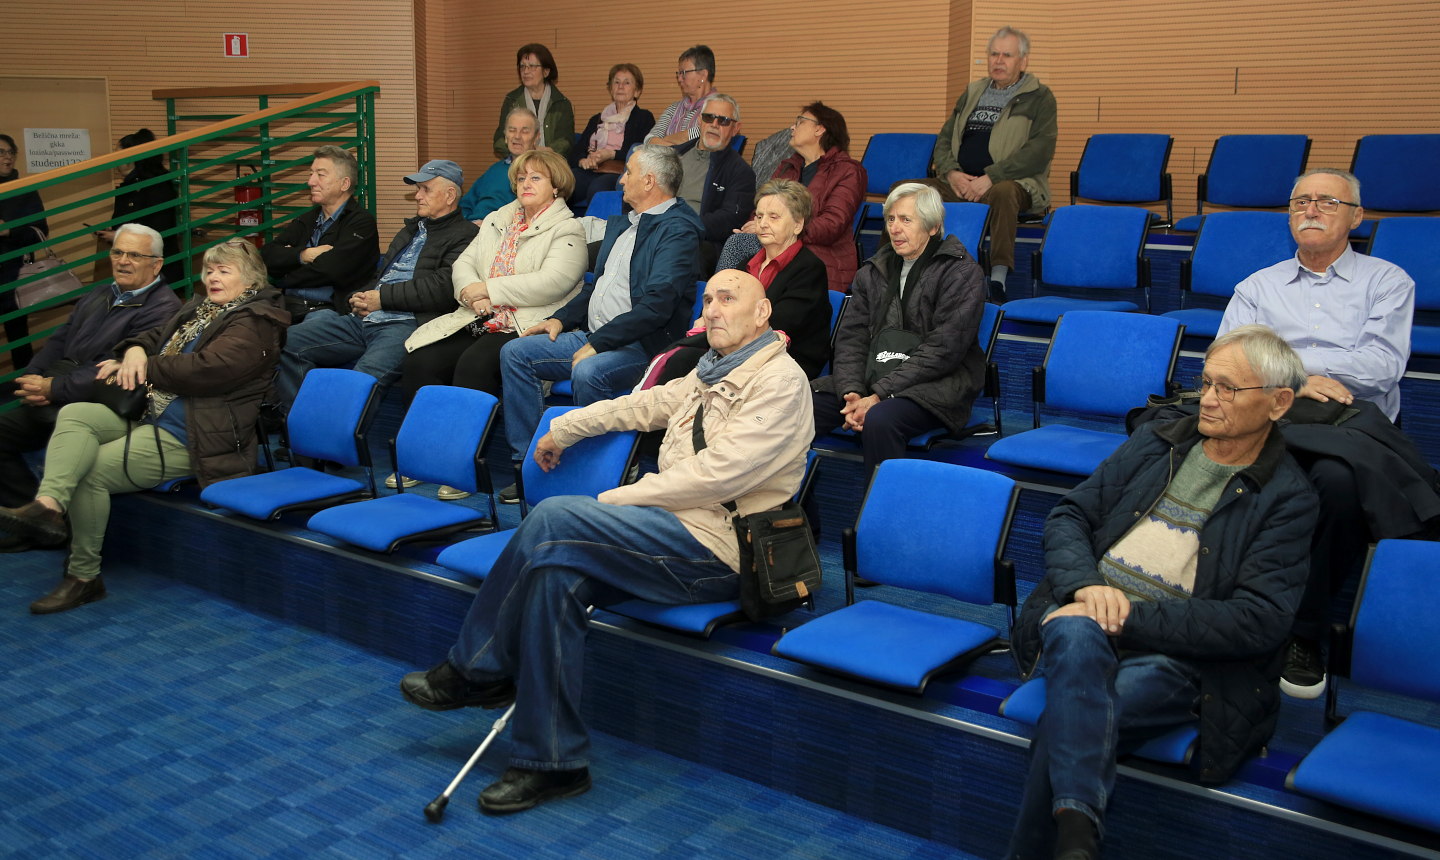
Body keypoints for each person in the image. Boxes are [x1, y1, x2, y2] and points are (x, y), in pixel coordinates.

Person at [398, 269, 812, 814]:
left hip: (723, 551)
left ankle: (475, 669)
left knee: (554, 518)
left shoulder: (781, 382)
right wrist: (564, 427)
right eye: (707, 298)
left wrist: (614, 502)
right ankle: (553, 763)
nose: (712, 309)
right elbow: (642, 405)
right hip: (673, 535)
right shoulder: (712, 370)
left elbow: (719, 476)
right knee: (554, 578)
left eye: (728, 299)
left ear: (762, 314)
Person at [1007, 325, 1316, 860]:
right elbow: (1069, 515)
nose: (1209, 400)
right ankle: (1077, 839)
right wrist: (1086, 587)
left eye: (1228, 389)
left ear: (1278, 402)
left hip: (1180, 659)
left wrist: (1124, 617)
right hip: (1082, 624)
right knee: (1077, 633)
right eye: (1207, 383)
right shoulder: (1160, 442)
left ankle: (1071, 833)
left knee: (1068, 718)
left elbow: (1257, 621)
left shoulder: (1288, 498)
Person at [0, 239, 289, 614]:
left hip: (196, 436)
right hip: (149, 414)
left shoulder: (257, 322)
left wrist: (143, 365)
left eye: (224, 271)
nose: (213, 278)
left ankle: (83, 577)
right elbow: (152, 337)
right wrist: (135, 350)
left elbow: (208, 369)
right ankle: (48, 505)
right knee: (76, 413)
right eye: (209, 270)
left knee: (90, 473)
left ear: (250, 280)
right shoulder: (200, 308)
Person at [1217, 167, 1416, 698]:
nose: (1310, 209)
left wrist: (1279, 368)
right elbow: (1229, 357)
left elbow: (1380, 367)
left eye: (1328, 201)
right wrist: (1298, 380)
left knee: (1339, 486)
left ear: (1357, 217)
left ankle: (1303, 632)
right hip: (1271, 417)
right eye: (1301, 201)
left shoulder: (1387, 281)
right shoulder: (1258, 286)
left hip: (1350, 426)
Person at [496, 144, 703, 502]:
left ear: (649, 181)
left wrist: (598, 343)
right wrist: (559, 319)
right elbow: (595, 287)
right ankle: (531, 462)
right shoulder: (625, 224)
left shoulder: (678, 231)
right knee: (516, 352)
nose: (621, 180)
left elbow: (657, 306)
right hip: (598, 336)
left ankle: (606, 469)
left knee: (590, 371)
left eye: (629, 173)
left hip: (643, 345)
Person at [397, 150, 587, 498]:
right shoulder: (499, 218)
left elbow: (554, 281)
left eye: (536, 178)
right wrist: (471, 294)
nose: (526, 183)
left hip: (527, 323)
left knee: (475, 364)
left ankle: (460, 468)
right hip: (480, 315)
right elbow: (463, 264)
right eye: (521, 177)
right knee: (422, 359)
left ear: (556, 186)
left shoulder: (568, 228)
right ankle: (424, 458)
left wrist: (490, 289)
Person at [1, 224, 182, 532]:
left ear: (156, 264)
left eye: (134, 255)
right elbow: (60, 338)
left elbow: (112, 368)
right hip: (62, 390)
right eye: (118, 252)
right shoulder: (100, 292)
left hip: (101, 404)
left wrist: (53, 388)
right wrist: (33, 375)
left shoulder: (164, 309)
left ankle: (44, 522)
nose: (123, 261)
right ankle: (38, 524)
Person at [810, 183, 985, 479]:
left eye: (906, 219)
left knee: (880, 419)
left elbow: (943, 350)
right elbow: (851, 340)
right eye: (891, 219)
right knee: (800, 405)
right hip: (874, 375)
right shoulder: (872, 271)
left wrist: (878, 395)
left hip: (938, 384)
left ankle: (882, 506)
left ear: (933, 227)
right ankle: (786, 503)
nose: (895, 228)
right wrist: (852, 392)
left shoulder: (961, 272)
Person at [273, 159, 479, 406]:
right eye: (418, 189)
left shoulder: (466, 235)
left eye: (425, 189)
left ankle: (330, 427)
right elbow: (382, 275)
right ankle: (300, 419)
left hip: (406, 323)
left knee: (359, 383)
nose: (417, 196)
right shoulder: (410, 230)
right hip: (366, 318)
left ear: (450, 195)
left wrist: (381, 298)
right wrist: (360, 296)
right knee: (288, 341)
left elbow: (442, 288)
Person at [921, 26, 1056, 302]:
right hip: (959, 182)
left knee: (1004, 193)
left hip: (1013, 183)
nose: (999, 61)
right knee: (906, 191)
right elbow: (944, 139)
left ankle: (997, 279)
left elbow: (1039, 152)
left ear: (1023, 61)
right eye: (994, 54)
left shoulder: (1040, 97)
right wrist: (952, 173)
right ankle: (892, 268)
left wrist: (992, 176)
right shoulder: (973, 92)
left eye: (1007, 55)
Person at [661, 180, 829, 383]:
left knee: (684, 359)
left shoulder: (809, 269)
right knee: (678, 357)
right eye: (759, 216)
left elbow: (775, 326)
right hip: (735, 347)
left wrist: (714, 325)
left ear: (797, 224)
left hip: (783, 360)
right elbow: (716, 306)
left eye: (773, 217)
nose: (763, 224)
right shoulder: (747, 264)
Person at [721, 103, 866, 293]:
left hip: (820, 253)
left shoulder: (848, 171)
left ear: (819, 129)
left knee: (738, 244)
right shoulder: (788, 167)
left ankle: (725, 300)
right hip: (775, 245)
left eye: (800, 122)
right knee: (738, 240)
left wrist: (781, 229)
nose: (792, 127)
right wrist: (753, 225)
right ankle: (726, 300)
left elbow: (832, 225)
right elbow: (761, 207)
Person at [260, 145, 379, 323]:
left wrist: (284, 277)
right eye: (311, 174)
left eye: (320, 175)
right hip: (285, 306)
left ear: (344, 184)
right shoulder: (307, 219)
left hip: (327, 310)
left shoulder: (361, 223)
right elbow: (267, 255)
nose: (311, 182)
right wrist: (304, 255)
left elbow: (332, 271)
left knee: (291, 336)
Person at [673, 94, 755, 272]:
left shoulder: (741, 172)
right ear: (699, 121)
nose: (714, 124)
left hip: (700, 240)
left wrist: (683, 225)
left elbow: (730, 219)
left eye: (723, 120)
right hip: (658, 229)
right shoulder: (673, 155)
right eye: (708, 117)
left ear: (735, 129)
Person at [94, 129, 183, 284]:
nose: (113, 161)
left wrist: (118, 235)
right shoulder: (133, 184)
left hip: (155, 272)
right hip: (139, 268)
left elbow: (158, 228)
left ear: (131, 157)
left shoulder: (156, 185)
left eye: (117, 155)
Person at [568, 64, 655, 209]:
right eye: (616, 82)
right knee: (565, 183)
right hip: (591, 168)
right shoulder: (597, 119)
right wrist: (583, 160)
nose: (620, 86)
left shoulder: (643, 117)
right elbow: (576, 151)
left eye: (627, 83)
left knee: (598, 189)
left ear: (637, 91)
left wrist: (610, 154)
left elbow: (640, 151)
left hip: (619, 171)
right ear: (610, 88)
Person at [1, 132, 48, 370]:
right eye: (1, 152)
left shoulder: (24, 190)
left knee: (19, 338)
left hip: (14, 276)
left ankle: (24, 384)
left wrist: (9, 231)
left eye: (11, 152)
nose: (7, 157)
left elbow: (40, 232)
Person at [493, 44, 574, 160]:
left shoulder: (561, 103)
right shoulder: (511, 100)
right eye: (522, 66)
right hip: (517, 162)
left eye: (532, 66)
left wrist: (547, 152)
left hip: (550, 162)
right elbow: (499, 141)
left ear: (546, 71)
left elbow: (566, 142)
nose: (525, 71)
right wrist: (520, 152)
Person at [463, 108, 539, 223]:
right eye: (512, 130)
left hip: (503, 229)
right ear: (505, 136)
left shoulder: (540, 174)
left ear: (536, 137)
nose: (517, 136)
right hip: (472, 227)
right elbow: (465, 205)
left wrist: (489, 226)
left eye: (524, 131)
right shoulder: (494, 170)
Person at [644, 45, 717, 146]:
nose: (679, 79)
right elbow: (649, 139)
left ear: (703, 75)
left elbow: (701, 135)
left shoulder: (719, 109)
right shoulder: (674, 108)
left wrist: (664, 141)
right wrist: (676, 145)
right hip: (667, 156)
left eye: (684, 73)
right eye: (678, 73)